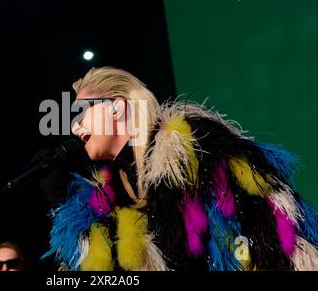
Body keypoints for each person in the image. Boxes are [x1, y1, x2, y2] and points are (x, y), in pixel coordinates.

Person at [41, 66, 318, 271]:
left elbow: (274, 231)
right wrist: (60, 204)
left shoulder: (195, 147)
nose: (75, 127)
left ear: (116, 108)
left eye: (81, 113)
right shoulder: (108, 197)